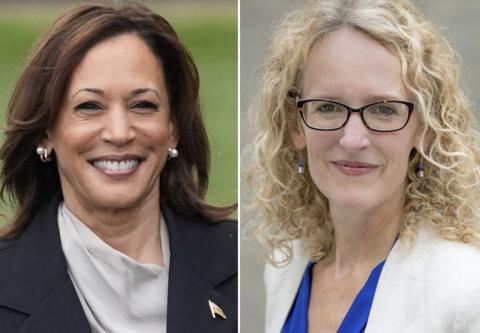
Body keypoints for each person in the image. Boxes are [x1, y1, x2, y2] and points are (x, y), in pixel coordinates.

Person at [0, 3, 237, 333]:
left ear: (173, 128)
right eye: (89, 106)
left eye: (143, 105)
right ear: (46, 131)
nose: (119, 132)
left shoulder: (241, 264)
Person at [246, 0, 480, 332]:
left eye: (384, 110)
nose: (353, 139)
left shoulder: (466, 292)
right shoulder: (286, 267)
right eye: (328, 106)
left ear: (424, 128)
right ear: (297, 125)